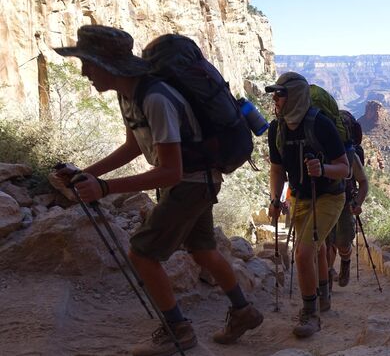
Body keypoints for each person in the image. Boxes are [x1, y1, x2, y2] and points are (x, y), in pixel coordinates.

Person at [52, 25, 263, 356]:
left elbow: (170, 171)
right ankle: (244, 312)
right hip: (194, 182)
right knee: (203, 250)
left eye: (88, 63)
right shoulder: (129, 94)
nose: (84, 72)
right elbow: (133, 147)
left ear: (107, 64)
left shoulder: (155, 98)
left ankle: (178, 331)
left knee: (142, 253)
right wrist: (85, 174)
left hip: (190, 184)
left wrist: (104, 187)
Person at [266, 72, 349, 338]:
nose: (275, 99)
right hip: (300, 197)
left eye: (280, 94)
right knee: (315, 249)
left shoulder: (320, 125)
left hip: (329, 196)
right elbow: (277, 169)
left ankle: (310, 314)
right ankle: (323, 296)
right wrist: (275, 200)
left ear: (295, 97)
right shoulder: (275, 129)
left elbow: (345, 169)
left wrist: (322, 168)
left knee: (303, 252)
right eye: (275, 94)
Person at [326, 148, 368, 287]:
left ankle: (345, 262)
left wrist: (357, 202)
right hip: (323, 202)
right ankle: (327, 277)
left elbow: (363, 182)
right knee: (328, 243)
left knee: (343, 242)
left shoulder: (350, 155)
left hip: (346, 203)